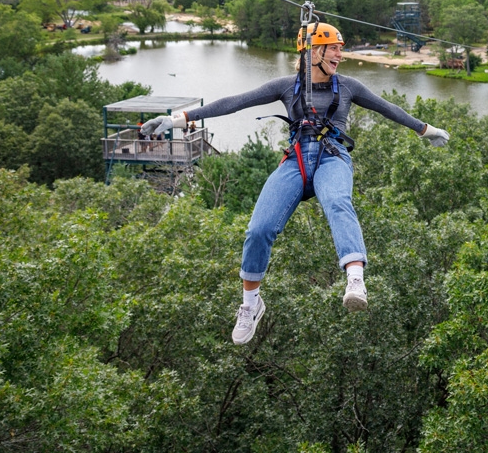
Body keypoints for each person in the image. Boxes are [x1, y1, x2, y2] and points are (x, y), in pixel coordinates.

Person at [140, 23, 450, 344]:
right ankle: (250, 304)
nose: (340, 55)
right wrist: (178, 119)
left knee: (338, 203)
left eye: (340, 49)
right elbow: (234, 102)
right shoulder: (288, 87)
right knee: (258, 229)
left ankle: (355, 280)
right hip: (297, 159)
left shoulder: (348, 87)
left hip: (333, 156)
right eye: (334, 49)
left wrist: (425, 129)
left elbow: (389, 108)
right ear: (314, 52)